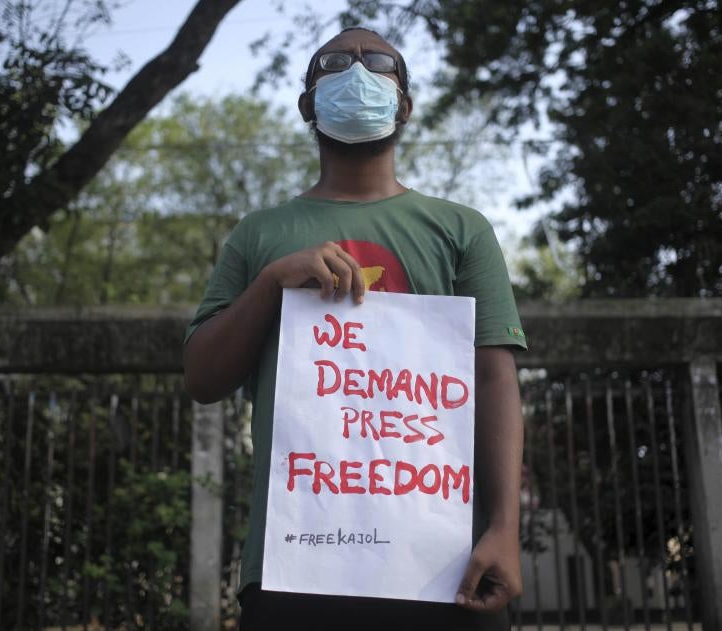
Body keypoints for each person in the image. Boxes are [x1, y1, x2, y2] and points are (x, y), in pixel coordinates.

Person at [183, 26, 527, 631]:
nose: (359, 70)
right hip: (294, 563)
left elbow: (495, 379)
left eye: (380, 63)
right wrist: (270, 284)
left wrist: (503, 529)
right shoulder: (259, 235)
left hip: (445, 565)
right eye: (336, 62)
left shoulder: (462, 229)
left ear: (405, 104)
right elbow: (203, 377)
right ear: (308, 102)